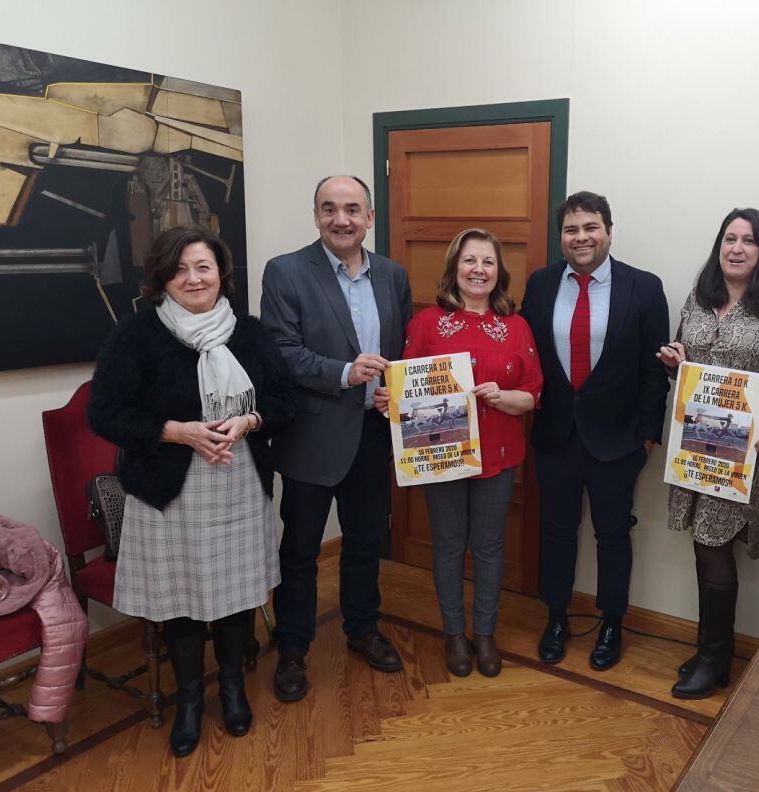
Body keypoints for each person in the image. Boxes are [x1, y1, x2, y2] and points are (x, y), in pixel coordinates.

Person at [88, 226, 295, 757]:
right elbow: (106, 413)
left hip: (238, 481)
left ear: (221, 273)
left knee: (233, 597)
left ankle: (229, 690)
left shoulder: (248, 332)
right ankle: (188, 702)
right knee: (178, 601)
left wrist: (249, 420)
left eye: (202, 266)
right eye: (179, 269)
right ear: (162, 278)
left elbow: (283, 398)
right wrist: (175, 431)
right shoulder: (136, 336)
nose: (193, 278)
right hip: (167, 488)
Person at [260, 175, 412, 701]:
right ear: (317, 216)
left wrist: (393, 390)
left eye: (352, 209)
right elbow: (280, 350)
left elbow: (401, 352)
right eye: (330, 209)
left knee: (366, 541)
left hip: (372, 435)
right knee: (300, 549)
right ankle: (294, 647)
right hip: (312, 436)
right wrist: (345, 373)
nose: (341, 219)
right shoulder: (285, 272)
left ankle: (362, 629)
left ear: (370, 218)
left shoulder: (393, 275)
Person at [374, 229, 543, 677]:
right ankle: (454, 634)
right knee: (448, 546)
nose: (478, 270)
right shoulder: (427, 324)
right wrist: (388, 400)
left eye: (487, 262)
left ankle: (484, 634)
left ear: (498, 272)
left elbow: (532, 395)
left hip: (499, 454)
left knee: (489, 547)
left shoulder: (516, 326)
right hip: (442, 456)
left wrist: (501, 396)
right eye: (470, 261)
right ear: (454, 268)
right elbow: (405, 389)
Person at [521, 191, 669, 671]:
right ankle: (557, 617)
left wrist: (647, 433)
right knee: (557, 531)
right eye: (571, 229)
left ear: (608, 230)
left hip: (619, 441)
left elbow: (654, 371)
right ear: (560, 236)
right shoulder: (541, 285)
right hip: (555, 436)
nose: (580, 237)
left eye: (590, 227)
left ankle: (612, 624)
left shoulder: (643, 288)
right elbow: (527, 358)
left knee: (613, 535)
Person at [657, 208, 759, 699]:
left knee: (715, 544)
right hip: (696, 441)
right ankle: (709, 652)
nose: (736, 248)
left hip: (746, 449)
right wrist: (677, 363)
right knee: (701, 543)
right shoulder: (699, 299)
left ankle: (717, 657)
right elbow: (689, 366)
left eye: (749, 241)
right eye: (729, 238)